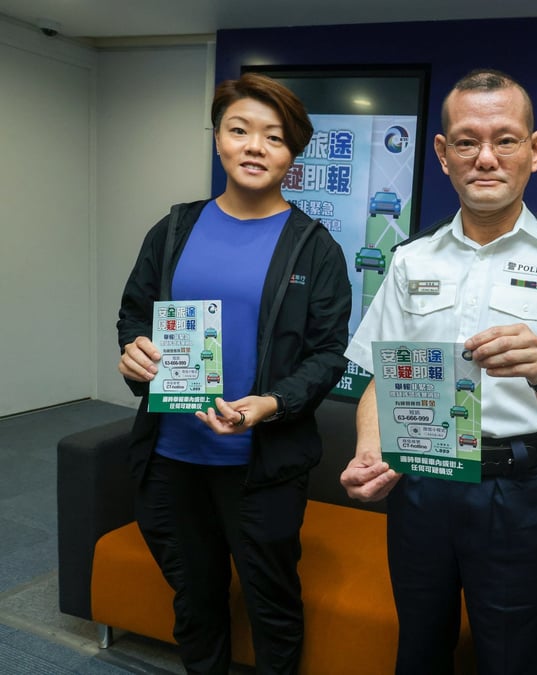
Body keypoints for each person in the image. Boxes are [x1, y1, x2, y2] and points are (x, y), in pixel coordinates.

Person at [340, 68, 537, 674]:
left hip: (516, 493)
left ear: (536, 150)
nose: (486, 157)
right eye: (467, 141)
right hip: (420, 484)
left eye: (505, 139)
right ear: (442, 154)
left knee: (510, 656)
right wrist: (369, 450)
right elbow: (380, 376)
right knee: (419, 646)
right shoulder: (410, 258)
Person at [116, 72, 351, 674]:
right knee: (194, 600)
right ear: (218, 140)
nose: (254, 146)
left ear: (291, 152)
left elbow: (327, 354)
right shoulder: (173, 230)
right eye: (239, 130)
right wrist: (136, 356)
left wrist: (269, 403)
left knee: (271, 603)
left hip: (263, 466)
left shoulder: (314, 248)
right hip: (172, 457)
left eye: (273, 137)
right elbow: (134, 316)